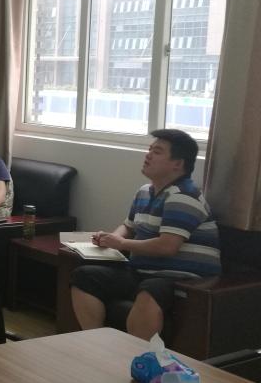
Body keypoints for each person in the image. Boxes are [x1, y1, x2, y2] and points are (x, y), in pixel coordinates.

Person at [70, 129, 221, 340]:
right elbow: (129, 226)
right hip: (142, 271)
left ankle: (141, 354)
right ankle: (94, 342)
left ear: (178, 163)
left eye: (157, 152)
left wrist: (121, 243)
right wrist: (108, 239)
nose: (148, 155)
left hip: (181, 278)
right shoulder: (144, 191)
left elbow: (167, 246)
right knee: (85, 276)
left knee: (150, 290)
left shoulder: (184, 196)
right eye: (149, 150)